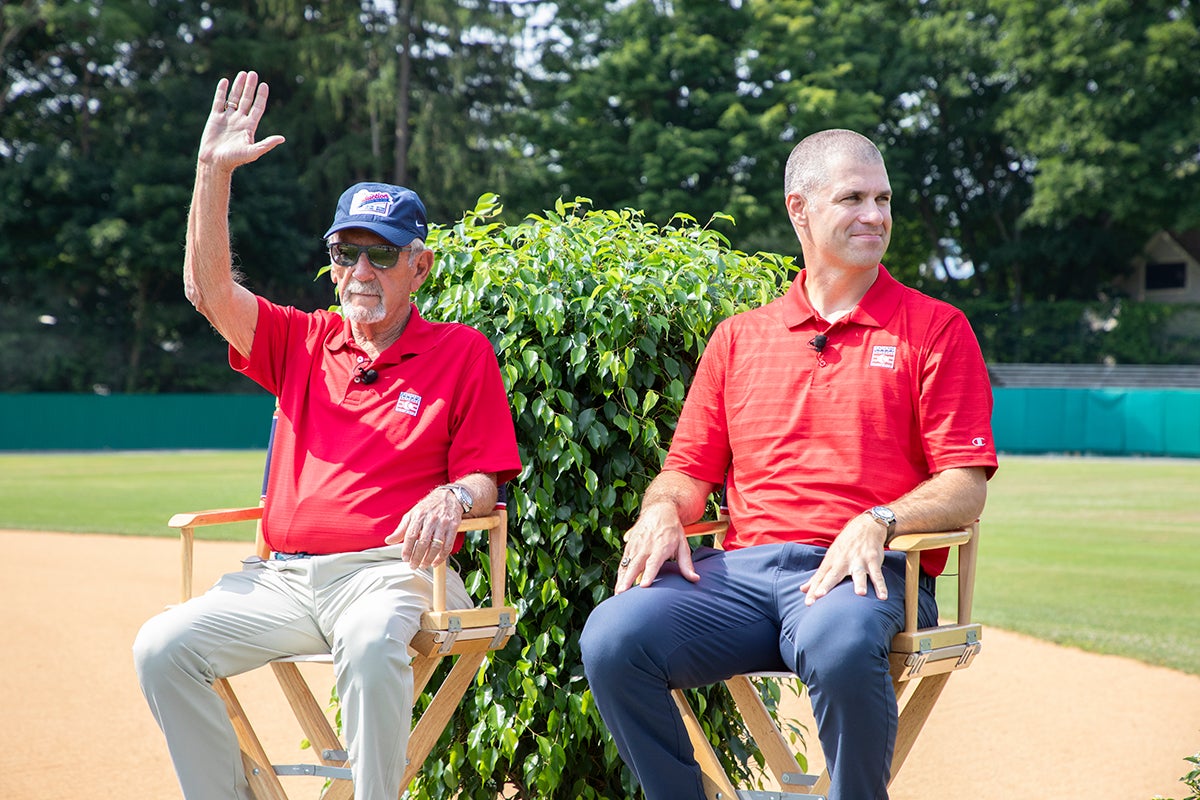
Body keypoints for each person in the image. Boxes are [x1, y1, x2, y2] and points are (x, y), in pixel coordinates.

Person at [133, 70, 521, 800]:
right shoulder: (301, 339)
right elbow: (206, 292)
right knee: (161, 647)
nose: (360, 271)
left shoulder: (460, 352)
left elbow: (485, 480)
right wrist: (211, 173)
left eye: (381, 253)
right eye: (347, 254)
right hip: (281, 578)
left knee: (376, 646)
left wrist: (449, 496)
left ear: (420, 264)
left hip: (390, 573)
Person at [579, 129, 998, 800]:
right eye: (853, 198)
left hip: (866, 576)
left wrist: (880, 520)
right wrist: (660, 510)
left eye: (883, 198)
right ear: (799, 209)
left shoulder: (936, 328)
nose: (876, 215)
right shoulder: (739, 338)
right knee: (611, 635)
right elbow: (688, 470)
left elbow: (964, 485)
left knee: (836, 642)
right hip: (741, 578)